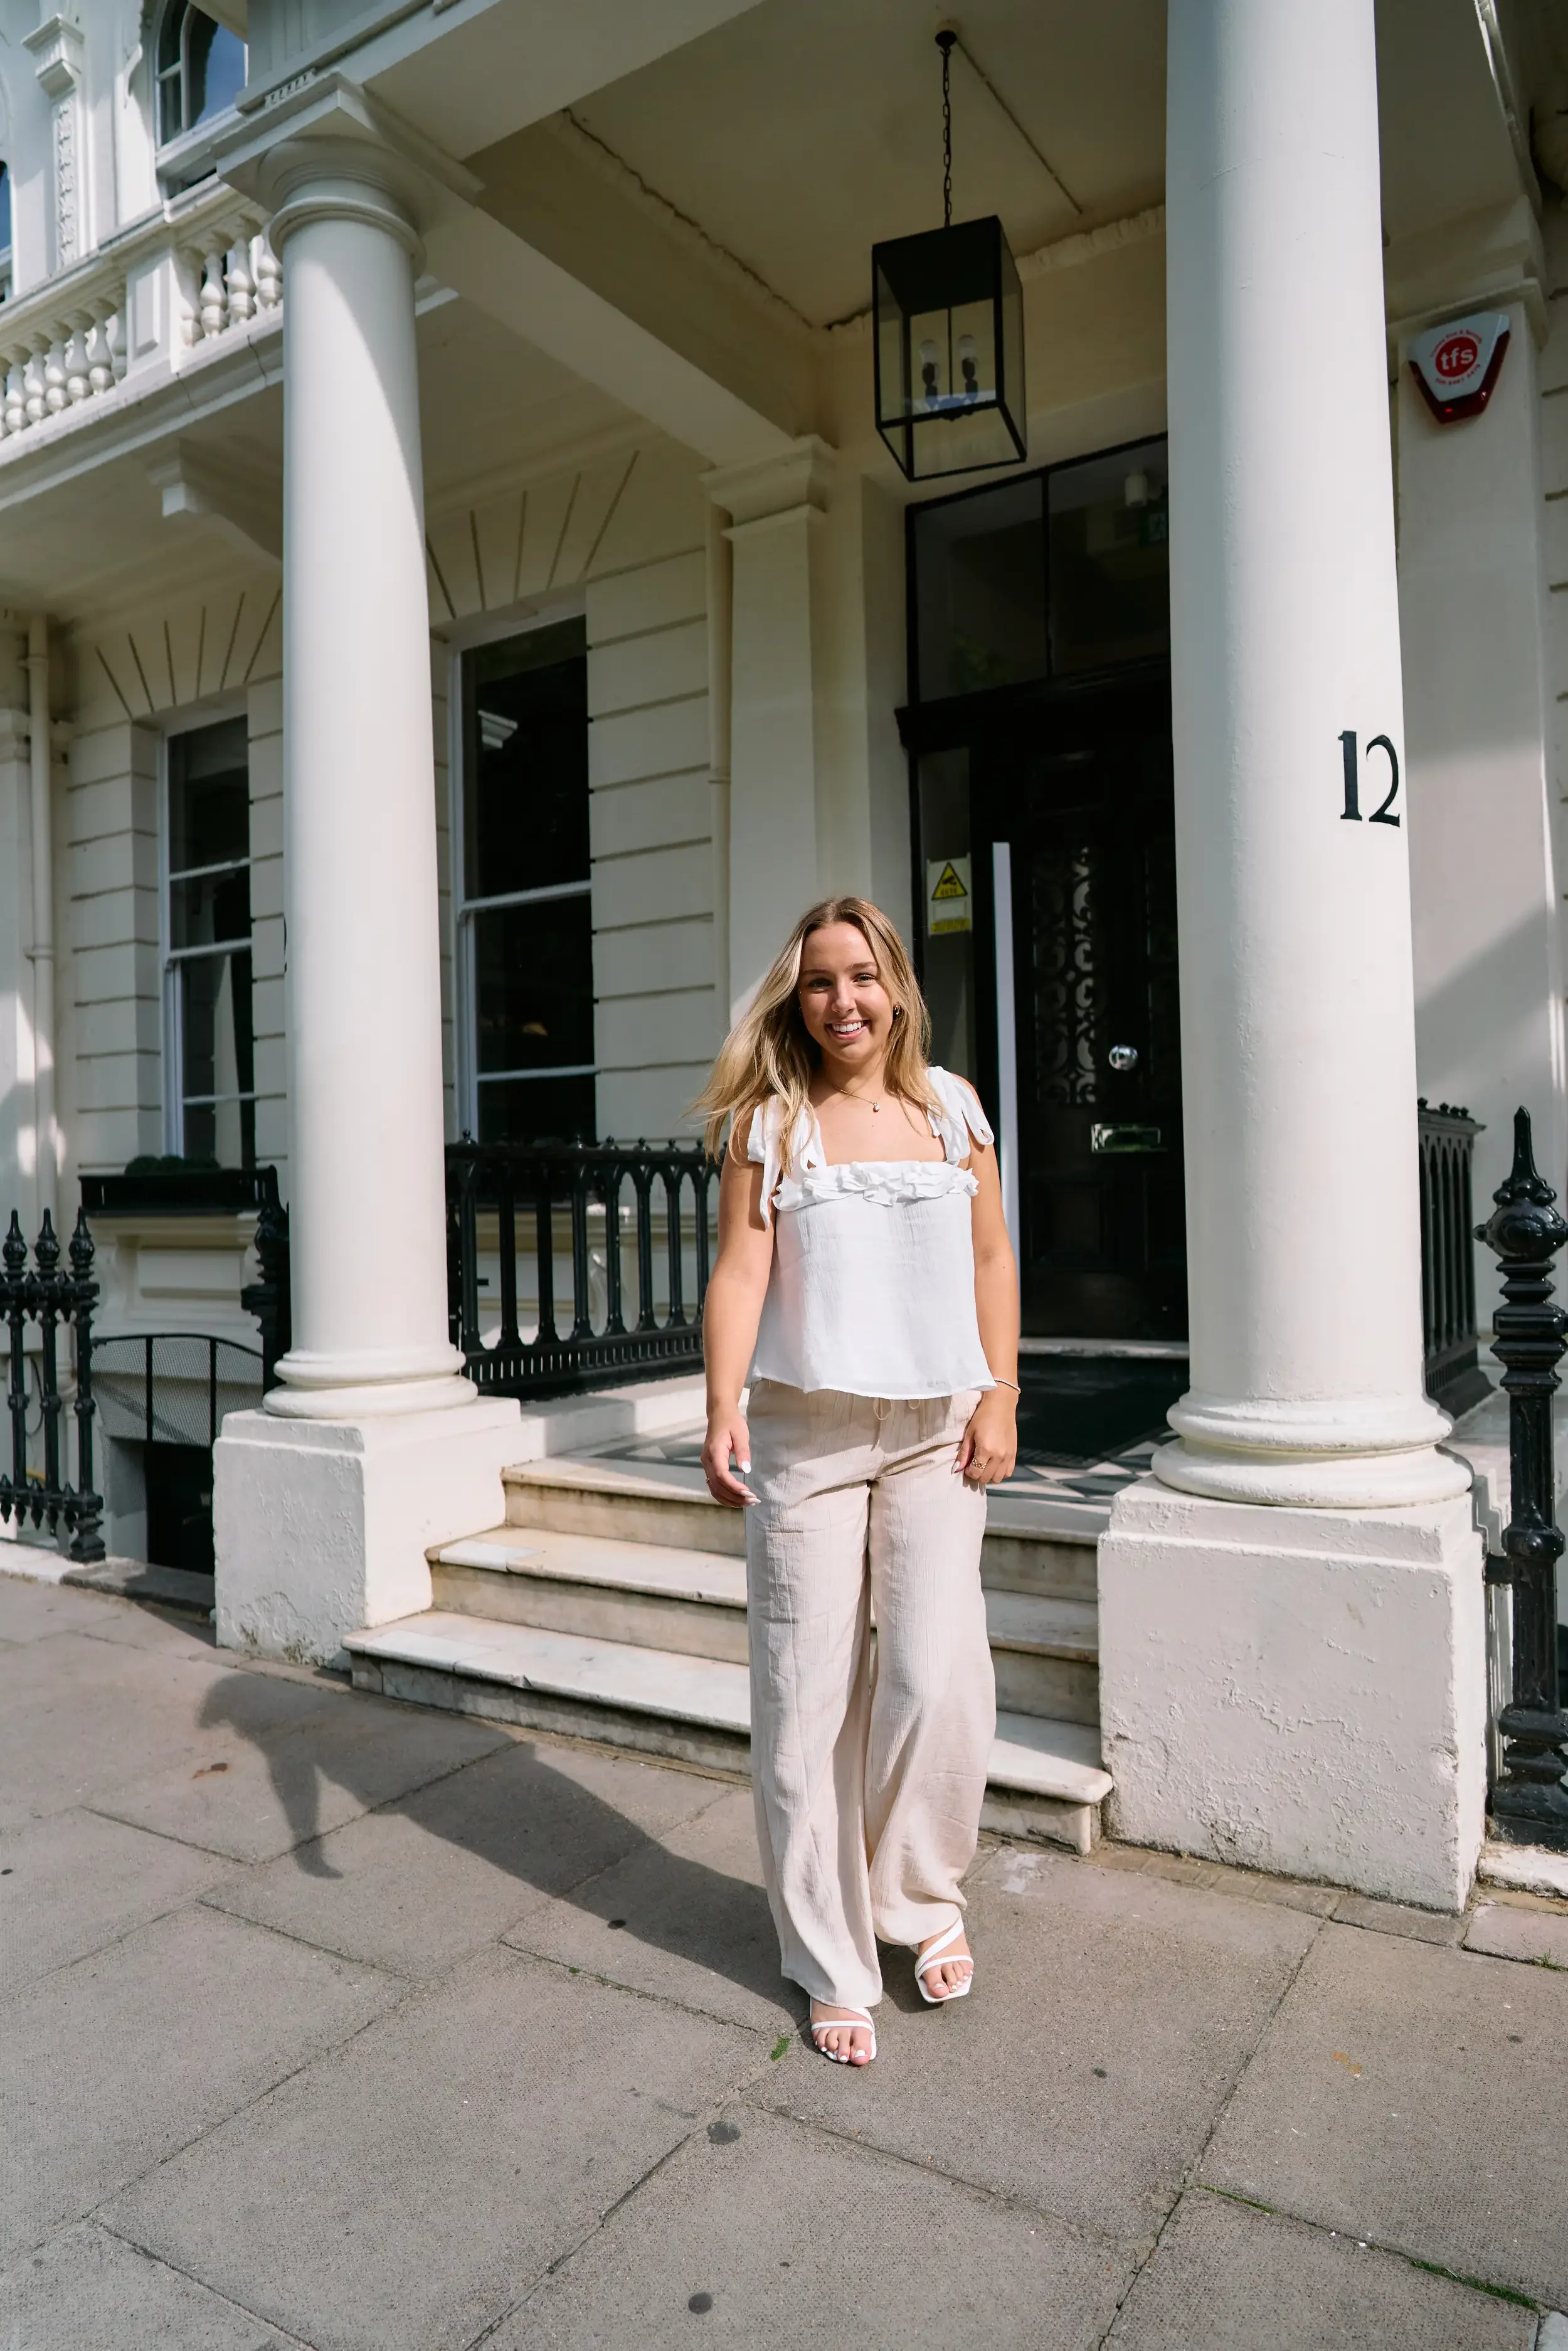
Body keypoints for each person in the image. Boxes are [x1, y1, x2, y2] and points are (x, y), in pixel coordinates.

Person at [694, 895, 1019, 2068]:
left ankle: (920, 1901)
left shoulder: (954, 1110)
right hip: (807, 1440)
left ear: (899, 990)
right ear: (799, 994)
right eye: (822, 981)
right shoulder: (768, 1127)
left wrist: (1002, 1393)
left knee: (935, 1678)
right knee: (804, 1708)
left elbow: (991, 1256)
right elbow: (740, 1273)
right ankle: (830, 1956)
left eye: (865, 977)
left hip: (938, 1426)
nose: (845, 1002)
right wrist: (722, 1403)